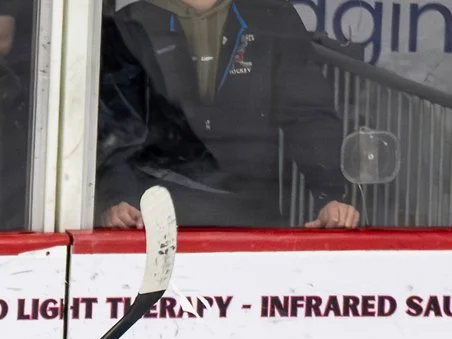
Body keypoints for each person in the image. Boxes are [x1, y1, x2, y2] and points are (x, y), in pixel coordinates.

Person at [96, 0, 355, 231]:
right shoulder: (131, 23)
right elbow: (113, 124)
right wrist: (116, 199)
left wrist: (330, 196)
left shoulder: (270, 17)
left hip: (252, 218)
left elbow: (307, 115)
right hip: (153, 223)